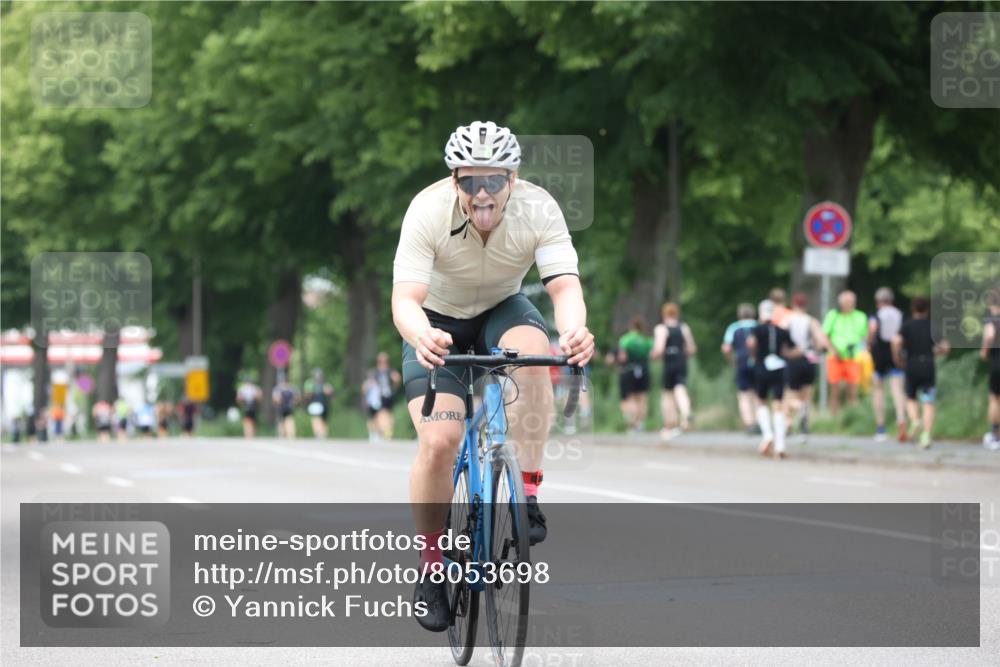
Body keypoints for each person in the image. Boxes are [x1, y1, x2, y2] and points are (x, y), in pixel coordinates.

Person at [392, 120, 593, 632]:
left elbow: (564, 287)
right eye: (469, 181)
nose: (482, 194)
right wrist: (421, 336)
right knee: (440, 441)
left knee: (535, 355)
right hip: (436, 320)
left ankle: (526, 492)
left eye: (494, 181)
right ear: (454, 179)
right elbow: (404, 300)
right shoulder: (427, 210)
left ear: (513, 177)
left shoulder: (539, 208)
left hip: (503, 306)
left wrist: (574, 333)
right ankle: (432, 566)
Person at [892, 296, 949, 449]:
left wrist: (897, 357)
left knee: (910, 397)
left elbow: (896, 341)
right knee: (928, 401)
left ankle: (915, 420)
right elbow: (945, 346)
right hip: (928, 365)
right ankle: (925, 436)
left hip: (911, 364)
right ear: (927, 309)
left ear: (913, 309)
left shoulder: (907, 325)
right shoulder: (932, 326)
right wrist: (935, 354)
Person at [747, 299, 799, 459]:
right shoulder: (781, 330)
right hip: (779, 368)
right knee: (778, 405)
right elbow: (795, 349)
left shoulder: (757, 329)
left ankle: (768, 434)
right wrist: (785, 355)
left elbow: (750, 344)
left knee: (761, 401)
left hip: (762, 367)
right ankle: (780, 445)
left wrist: (755, 356)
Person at [784, 293, 830, 437]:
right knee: (807, 394)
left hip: (792, 359)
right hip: (809, 359)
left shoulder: (787, 321)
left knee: (790, 396)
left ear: (793, 304)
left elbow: (781, 341)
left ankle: (788, 423)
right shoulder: (812, 321)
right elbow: (822, 342)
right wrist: (817, 350)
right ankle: (804, 425)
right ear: (806, 305)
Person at [652, 302, 697, 440]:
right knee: (680, 388)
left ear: (664, 314)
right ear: (676, 314)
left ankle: (670, 424)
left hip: (669, 362)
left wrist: (654, 355)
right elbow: (691, 349)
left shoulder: (661, 328)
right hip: (681, 361)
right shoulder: (683, 328)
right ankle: (686, 413)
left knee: (667, 394)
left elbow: (659, 349)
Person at [868, 287, 907, 442]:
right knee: (898, 389)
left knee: (878, 390)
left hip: (880, 353)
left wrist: (869, 343)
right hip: (896, 353)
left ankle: (881, 428)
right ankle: (901, 419)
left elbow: (872, 329)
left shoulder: (876, 315)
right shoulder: (900, 314)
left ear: (878, 301)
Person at [822, 290, 868, 415]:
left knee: (853, 390)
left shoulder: (860, 316)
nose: (850, 304)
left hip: (853, 357)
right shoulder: (833, 315)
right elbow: (824, 335)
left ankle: (853, 417)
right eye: (847, 302)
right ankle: (834, 417)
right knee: (835, 390)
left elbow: (864, 337)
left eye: (852, 302)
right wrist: (832, 349)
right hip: (835, 357)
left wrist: (864, 351)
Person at [721, 303, 759, 435]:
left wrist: (731, 360)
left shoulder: (734, 327)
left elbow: (726, 348)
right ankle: (759, 421)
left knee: (744, 395)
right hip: (758, 362)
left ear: (739, 315)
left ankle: (749, 423)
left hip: (741, 361)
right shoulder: (758, 326)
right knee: (757, 394)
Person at [616, 317, 653, 433]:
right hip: (644, 370)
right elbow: (653, 354)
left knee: (630, 397)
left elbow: (623, 357)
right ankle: (641, 423)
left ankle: (633, 422)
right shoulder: (647, 339)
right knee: (642, 398)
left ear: (631, 326)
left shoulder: (626, 339)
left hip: (629, 370)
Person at [982, 298, 1000, 450]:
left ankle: (994, 434)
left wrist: (984, 352)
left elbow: (989, 336)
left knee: (994, 398)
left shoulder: (991, 320)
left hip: (996, 364)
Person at [372, 352, 402, 440]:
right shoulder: (376, 372)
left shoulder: (389, 371)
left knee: (384, 413)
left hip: (386, 395)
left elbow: (397, 378)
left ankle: (386, 432)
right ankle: (386, 431)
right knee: (386, 413)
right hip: (381, 395)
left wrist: (394, 388)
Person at [304, 368, 334, 439]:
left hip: (324, 404)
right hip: (315, 403)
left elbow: (331, 393)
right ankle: (318, 433)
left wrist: (328, 391)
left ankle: (323, 434)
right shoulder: (310, 383)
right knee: (316, 418)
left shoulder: (325, 384)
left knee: (324, 420)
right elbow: (307, 394)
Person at [362, 371, 385, 442]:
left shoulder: (378, 384)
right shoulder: (367, 384)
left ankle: (378, 434)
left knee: (377, 419)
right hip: (370, 403)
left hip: (377, 404)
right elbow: (364, 392)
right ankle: (372, 434)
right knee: (371, 419)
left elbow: (380, 394)